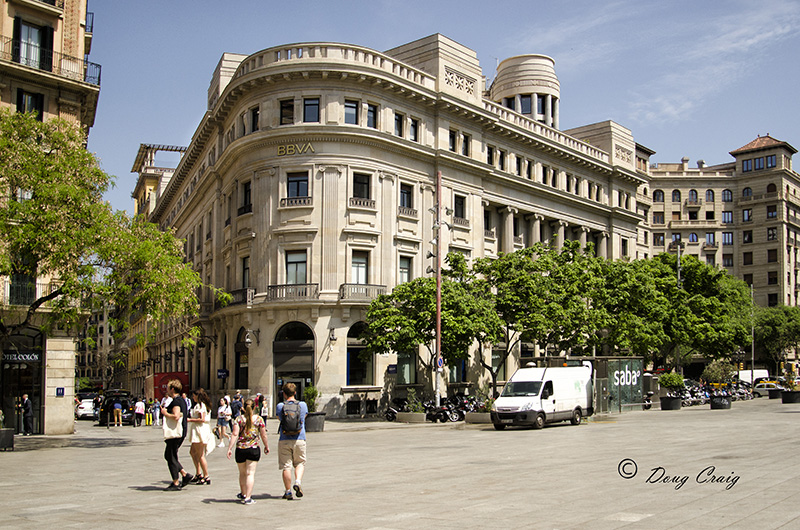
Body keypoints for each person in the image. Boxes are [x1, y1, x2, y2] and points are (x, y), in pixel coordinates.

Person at [227, 398, 269, 505]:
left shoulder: (239, 419)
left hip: (240, 449)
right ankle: (248, 497)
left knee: (242, 473)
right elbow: (263, 434)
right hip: (253, 449)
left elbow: (235, 434)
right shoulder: (259, 419)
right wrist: (266, 446)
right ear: (255, 407)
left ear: (243, 408)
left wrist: (229, 448)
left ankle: (243, 493)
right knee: (250, 474)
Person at [276, 382, 308, 500]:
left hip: (284, 439)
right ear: (295, 392)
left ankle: (288, 491)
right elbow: (303, 418)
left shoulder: (280, 406)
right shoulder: (303, 405)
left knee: (286, 466)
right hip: (299, 438)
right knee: (300, 463)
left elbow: (280, 419)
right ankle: (298, 482)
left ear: (284, 394)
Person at [160, 379, 192, 490]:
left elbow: (176, 416)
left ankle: (176, 482)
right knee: (169, 455)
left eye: (168, 388)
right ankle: (184, 474)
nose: (167, 390)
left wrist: (165, 413)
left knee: (171, 456)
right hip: (180, 432)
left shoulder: (176, 401)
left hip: (175, 434)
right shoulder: (181, 400)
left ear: (172, 389)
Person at [187, 388, 215, 485]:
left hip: (200, 430)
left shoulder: (201, 405)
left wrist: (190, 420)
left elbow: (202, 419)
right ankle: (198, 473)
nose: (193, 397)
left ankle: (206, 475)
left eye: (194, 396)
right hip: (198, 429)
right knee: (193, 452)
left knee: (200, 454)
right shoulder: (200, 405)